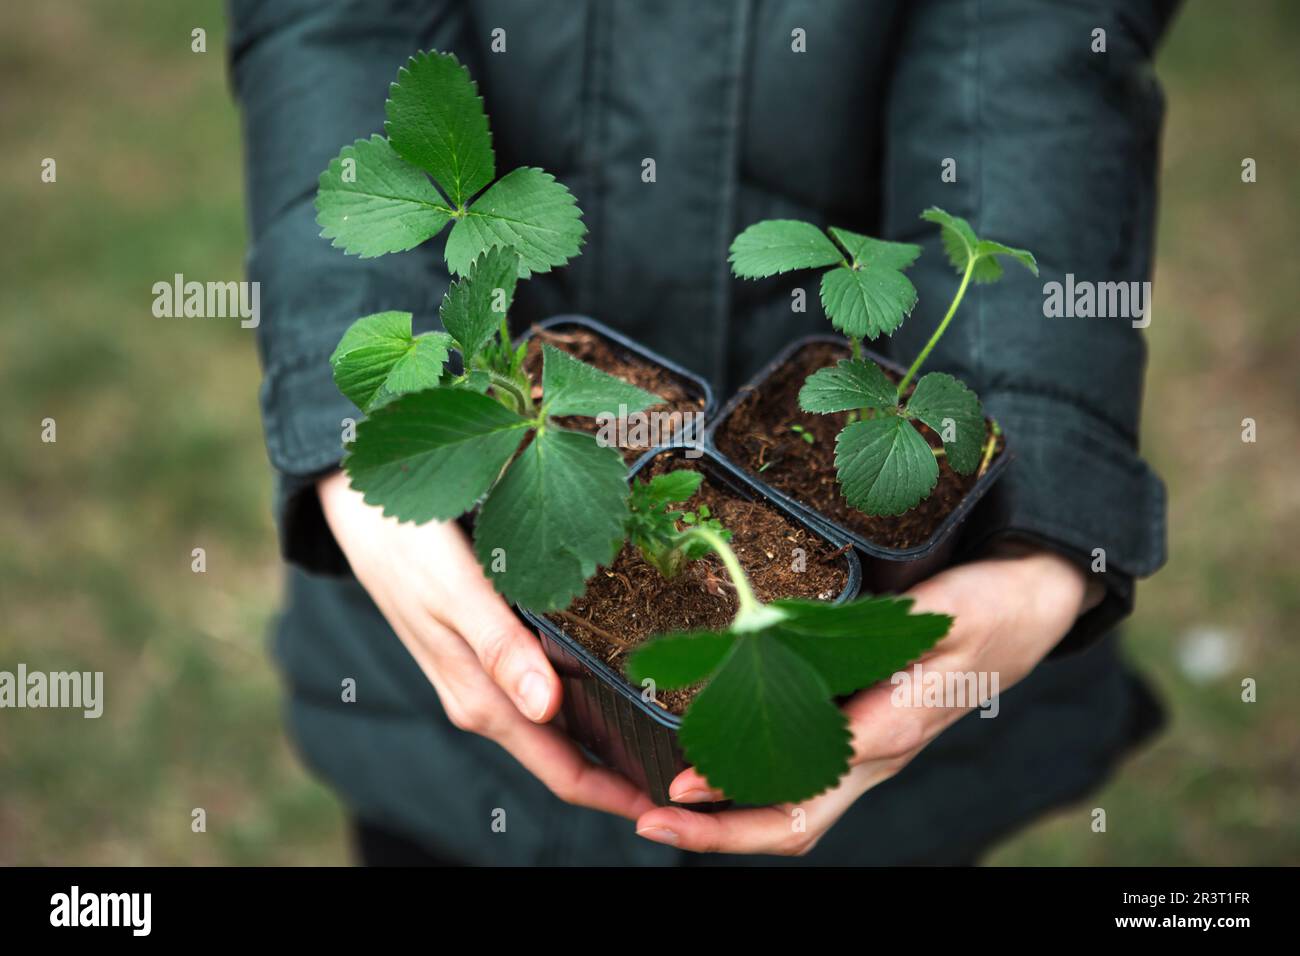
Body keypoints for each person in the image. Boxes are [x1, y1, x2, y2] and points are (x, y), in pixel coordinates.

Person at [228, 0, 1175, 865]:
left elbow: (1040, 47)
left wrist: (1039, 495)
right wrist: (361, 446)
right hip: (438, 754)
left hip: (895, 805)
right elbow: (328, 27)